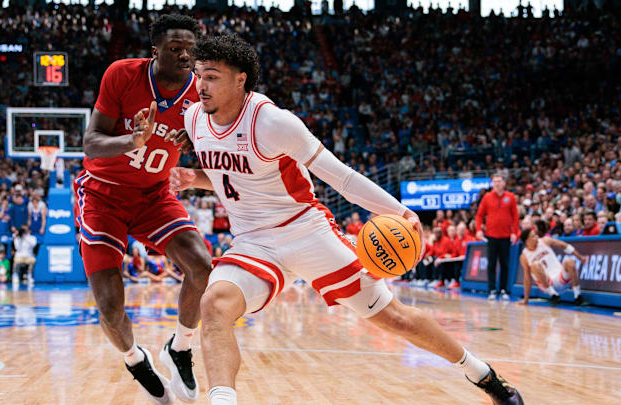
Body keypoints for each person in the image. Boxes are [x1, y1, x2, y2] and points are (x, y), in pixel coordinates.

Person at [169, 34, 522, 405]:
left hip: (305, 231)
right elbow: (236, 175)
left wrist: (399, 211)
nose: (200, 86)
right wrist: (197, 179)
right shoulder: (195, 119)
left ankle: (482, 374)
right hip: (253, 243)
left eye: (211, 77)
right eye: (198, 75)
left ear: (240, 80)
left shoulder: (272, 122)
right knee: (214, 305)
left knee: (395, 319)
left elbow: (340, 177)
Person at [77, 14, 211, 403]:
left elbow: (210, 147)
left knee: (202, 266)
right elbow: (91, 142)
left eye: (190, 48)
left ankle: (181, 347)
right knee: (109, 305)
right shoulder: (122, 74)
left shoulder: (201, 93)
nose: (184, 55)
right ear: (156, 51)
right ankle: (135, 359)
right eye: (174, 48)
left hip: (154, 194)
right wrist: (131, 141)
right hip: (103, 194)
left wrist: (195, 146)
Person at [475, 173, 519, 301]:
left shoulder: (510, 197)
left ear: (504, 183)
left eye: (499, 181)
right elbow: (479, 215)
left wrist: (514, 232)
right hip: (491, 236)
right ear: (492, 184)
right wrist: (478, 229)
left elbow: (515, 217)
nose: (497, 184)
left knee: (505, 264)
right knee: (491, 264)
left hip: (506, 236)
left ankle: (504, 290)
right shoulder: (487, 197)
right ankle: (492, 290)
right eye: (495, 182)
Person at [518, 227, 587, 306]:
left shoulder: (545, 241)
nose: (536, 237)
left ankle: (578, 296)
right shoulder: (524, 256)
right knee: (535, 265)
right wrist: (526, 300)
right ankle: (553, 295)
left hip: (560, 278)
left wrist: (579, 257)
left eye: (536, 235)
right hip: (547, 283)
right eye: (533, 236)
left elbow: (564, 245)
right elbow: (527, 278)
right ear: (527, 241)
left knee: (570, 261)